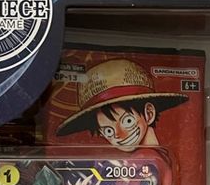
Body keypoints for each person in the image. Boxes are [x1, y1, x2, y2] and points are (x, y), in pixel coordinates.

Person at [56, 59, 188, 150]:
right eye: (108, 131)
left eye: (128, 121)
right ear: (101, 133)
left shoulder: (144, 162)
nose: (119, 135)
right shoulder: (139, 163)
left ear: (149, 113)